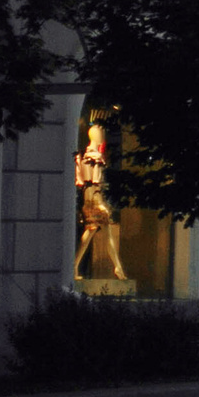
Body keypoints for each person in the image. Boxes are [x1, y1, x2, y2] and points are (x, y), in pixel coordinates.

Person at [73, 121, 128, 283]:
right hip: (95, 199)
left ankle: (116, 267)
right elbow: (96, 182)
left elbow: (81, 181)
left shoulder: (81, 155)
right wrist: (101, 203)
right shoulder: (94, 157)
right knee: (97, 232)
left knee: (92, 232)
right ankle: (116, 267)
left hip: (87, 199)